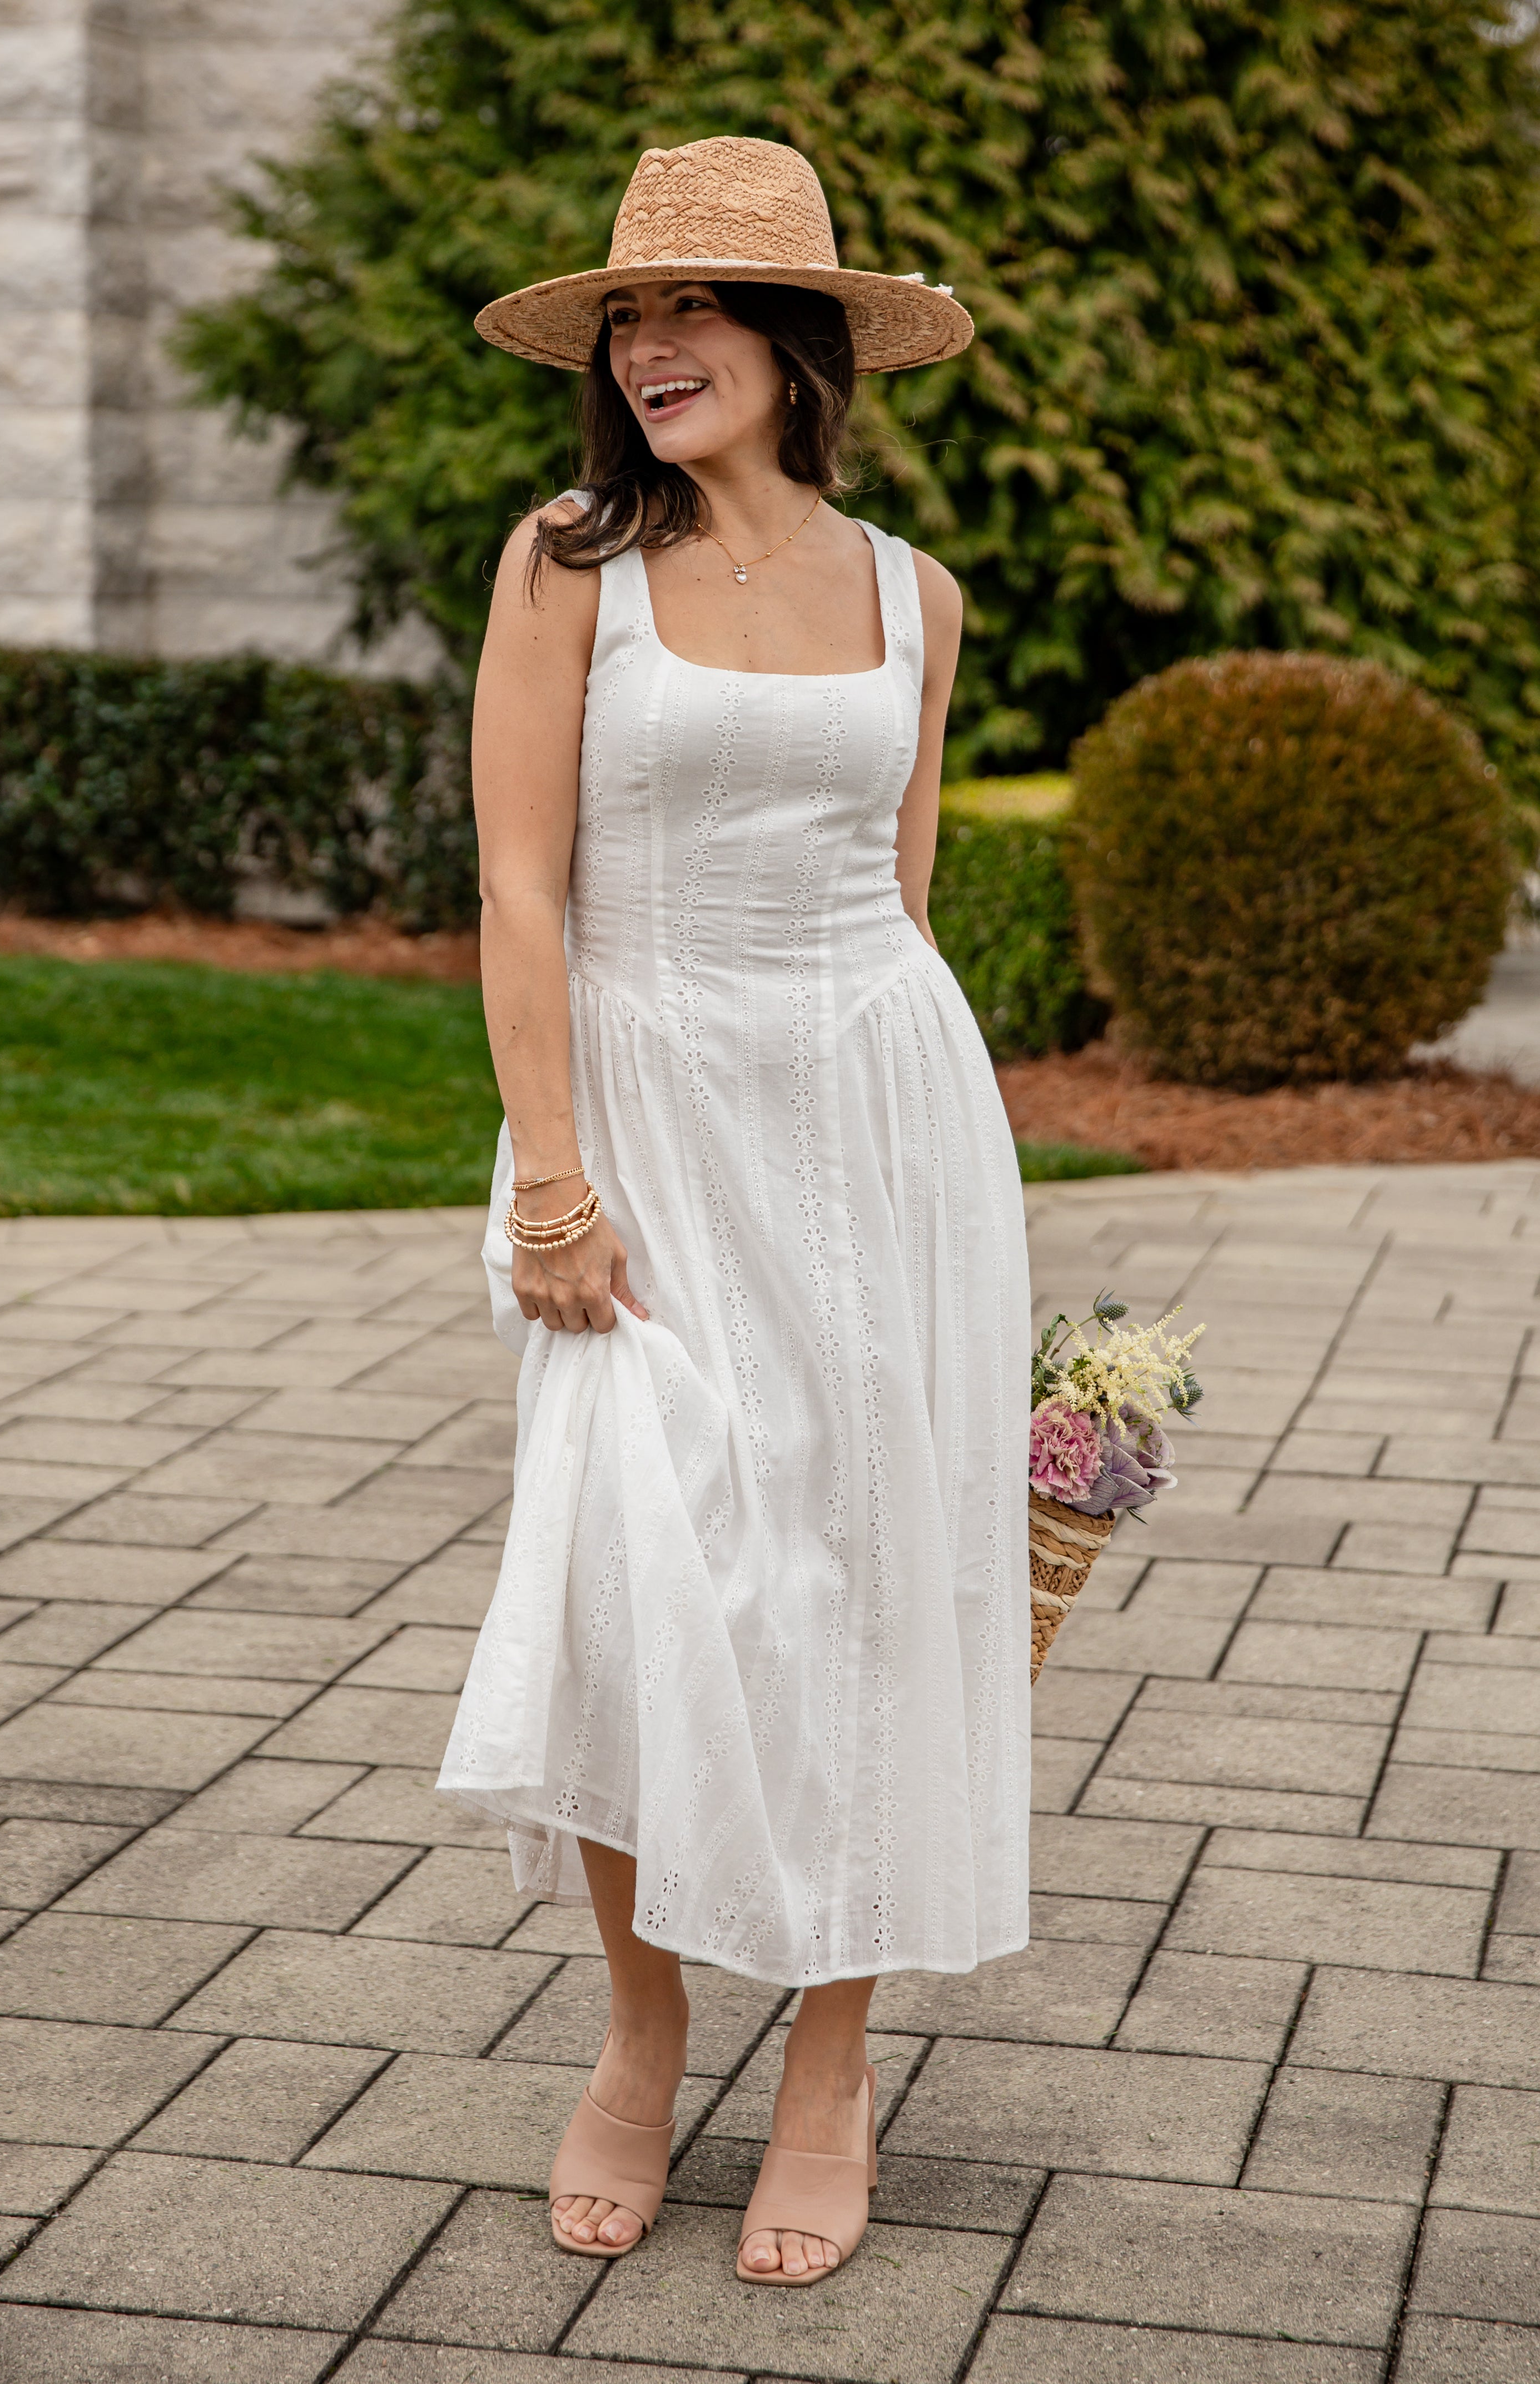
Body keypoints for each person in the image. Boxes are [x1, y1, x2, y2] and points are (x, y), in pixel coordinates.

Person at [438, 135, 1031, 2288]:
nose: (649, 343)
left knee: (868, 1586)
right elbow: (517, 886)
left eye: (688, 308)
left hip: (879, 1131)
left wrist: (934, 1190)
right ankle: (641, 2025)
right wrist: (554, 1178)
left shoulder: (912, 594)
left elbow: (901, 899)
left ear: (794, 344)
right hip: (642, 1132)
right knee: (638, 1576)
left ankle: (832, 2069)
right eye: (625, 314)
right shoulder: (564, 560)